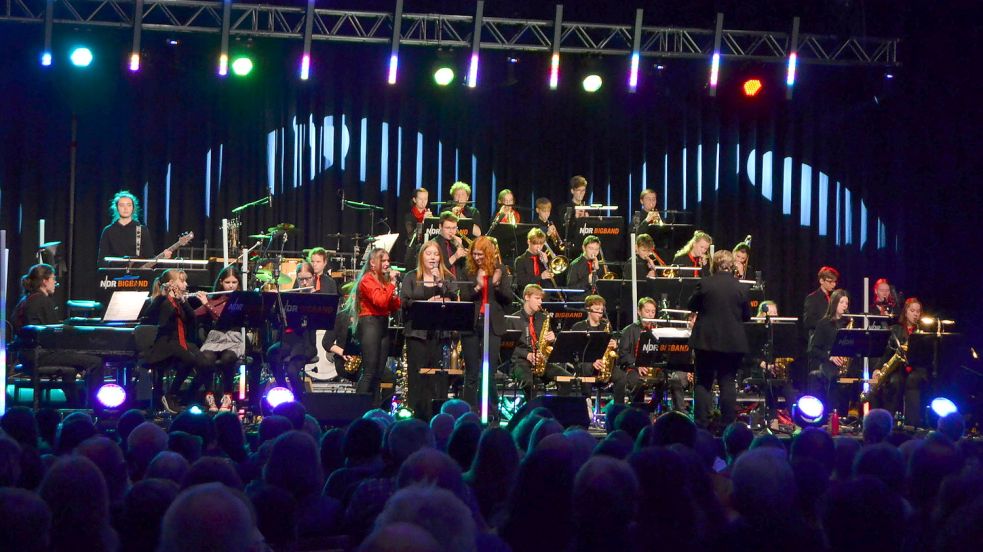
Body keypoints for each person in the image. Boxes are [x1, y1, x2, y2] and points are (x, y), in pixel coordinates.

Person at [11, 264, 104, 408]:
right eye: (53, 279)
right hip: (40, 354)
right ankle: (96, 407)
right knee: (95, 361)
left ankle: (75, 404)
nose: (55, 283)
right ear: (44, 281)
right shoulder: (42, 300)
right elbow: (56, 335)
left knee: (73, 364)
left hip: (28, 354)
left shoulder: (26, 300)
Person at [688, 249, 751, 429]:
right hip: (733, 342)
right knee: (728, 382)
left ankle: (701, 425)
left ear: (714, 266)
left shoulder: (705, 283)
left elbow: (691, 305)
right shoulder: (741, 287)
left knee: (703, 382)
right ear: (731, 266)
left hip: (706, 341)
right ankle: (728, 425)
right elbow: (747, 316)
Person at [400, 240, 457, 420]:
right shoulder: (411, 277)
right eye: (428, 254)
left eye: (436, 254)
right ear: (421, 256)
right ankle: (416, 414)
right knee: (417, 375)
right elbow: (404, 301)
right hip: (417, 333)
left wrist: (440, 284)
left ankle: (436, 414)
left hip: (441, 334)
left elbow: (454, 297)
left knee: (438, 375)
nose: (432, 257)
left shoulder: (448, 278)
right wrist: (425, 305)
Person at [457, 236, 512, 414]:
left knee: (489, 372)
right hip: (471, 324)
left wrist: (495, 285)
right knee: (472, 372)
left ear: (488, 253)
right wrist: (478, 287)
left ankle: (492, 412)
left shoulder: (500, 270)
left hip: (492, 325)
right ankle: (469, 412)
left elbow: (508, 300)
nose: (477, 258)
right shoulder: (467, 271)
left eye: (480, 254)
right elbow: (464, 297)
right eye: (474, 254)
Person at [143, 269, 210, 413]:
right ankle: (170, 395)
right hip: (166, 344)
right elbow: (149, 317)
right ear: (172, 283)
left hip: (181, 342)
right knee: (189, 360)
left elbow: (192, 319)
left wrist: (183, 301)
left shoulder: (180, 300)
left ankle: (185, 398)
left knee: (206, 364)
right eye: (183, 281)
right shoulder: (162, 301)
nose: (186, 284)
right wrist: (162, 295)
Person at [344, 248, 401, 404]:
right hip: (369, 323)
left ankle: (373, 408)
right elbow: (379, 301)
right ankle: (356, 409)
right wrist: (391, 284)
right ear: (373, 263)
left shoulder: (384, 281)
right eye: (384, 261)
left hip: (382, 324)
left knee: (378, 373)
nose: (387, 264)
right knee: (369, 371)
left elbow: (393, 306)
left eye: (388, 260)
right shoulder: (367, 280)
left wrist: (393, 291)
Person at [190, 265, 244, 412]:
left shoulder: (241, 301)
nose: (231, 286)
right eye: (228, 282)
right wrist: (181, 301)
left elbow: (223, 318)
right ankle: (209, 395)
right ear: (221, 282)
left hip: (233, 338)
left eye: (234, 282)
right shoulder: (214, 300)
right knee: (206, 358)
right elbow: (192, 315)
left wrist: (207, 304)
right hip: (215, 338)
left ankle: (228, 395)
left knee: (228, 358)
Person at [616, 297, 686, 409]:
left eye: (653, 312)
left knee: (671, 380)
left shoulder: (658, 330)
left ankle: (657, 407)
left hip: (655, 368)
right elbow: (623, 353)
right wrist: (636, 364)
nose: (650, 314)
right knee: (639, 382)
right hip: (634, 368)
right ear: (639, 311)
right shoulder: (629, 330)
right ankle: (637, 410)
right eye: (647, 311)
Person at [266, 262, 320, 403]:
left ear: (313, 277)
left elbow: (322, 321)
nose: (304, 282)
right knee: (272, 353)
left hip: (306, 344)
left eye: (307, 278)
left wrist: (313, 302)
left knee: (292, 371)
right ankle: (285, 393)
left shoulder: (319, 298)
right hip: (289, 341)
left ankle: (301, 403)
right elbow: (275, 320)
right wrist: (274, 303)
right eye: (301, 279)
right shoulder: (290, 297)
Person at [510, 284, 573, 401]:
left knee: (567, 378)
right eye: (537, 298)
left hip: (541, 361)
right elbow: (508, 347)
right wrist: (527, 355)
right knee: (529, 383)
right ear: (527, 297)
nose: (540, 302)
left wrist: (553, 339)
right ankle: (531, 411)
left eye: (541, 299)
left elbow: (550, 345)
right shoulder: (513, 319)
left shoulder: (543, 318)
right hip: (521, 361)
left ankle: (559, 409)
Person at [872, 297, 928, 426]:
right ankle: (888, 421)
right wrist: (877, 368)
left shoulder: (923, 330)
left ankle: (912, 423)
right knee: (894, 381)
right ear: (906, 312)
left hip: (917, 368)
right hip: (899, 368)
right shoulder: (896, 329)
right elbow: (887, 353)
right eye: (912, 310)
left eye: (918, 311)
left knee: (913, 380)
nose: (915, 314)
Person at [807, 289, 851, 409]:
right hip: (828, 362)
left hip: (846, 363)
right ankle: (832, 412)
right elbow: (813, 350)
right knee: (833, 377)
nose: (844, 306)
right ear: (834, 303)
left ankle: (850, 413)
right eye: (842, 302)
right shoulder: (824, 323)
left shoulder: (848, 323)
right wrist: (830, 356)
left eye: (846, 303)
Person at [97, 190, 166, 265]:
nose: (125, 208)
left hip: (138, 274)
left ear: (133, 208)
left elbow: (149, 257)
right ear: (116, 208)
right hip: (115, 274)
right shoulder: (108, 231)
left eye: (129, 205)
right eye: (122, 205)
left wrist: (163, 256)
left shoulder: (142, 229)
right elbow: (101, 261)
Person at [570, 294, 618, 396]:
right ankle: (586, 401)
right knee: (586, 368)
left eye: (602, 309)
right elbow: (575, 352)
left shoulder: (606, 326)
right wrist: (592, 362)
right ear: (588, 309)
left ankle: (618, 405)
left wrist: (615, 345)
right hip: (585, 364)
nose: (600, 312)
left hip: (604, 365)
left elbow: (613, 349)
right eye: (597, 309)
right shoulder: (578, 327)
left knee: (621, 376)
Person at [802, 266, 840, 339]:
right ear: (821, 281)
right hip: (818, 338)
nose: (834, 284)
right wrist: (827, 324)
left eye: (835, 281)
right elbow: (808, 322)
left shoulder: (833, 297)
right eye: (830, 282)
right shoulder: (812, 298)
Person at [433, 212, 468, 279]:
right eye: (448, 228)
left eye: (454, 228)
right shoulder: (434, 244)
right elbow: (435, 269)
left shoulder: (455, 243)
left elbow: (463, 267)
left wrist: (460, 246)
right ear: (440, 226)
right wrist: (455, 257)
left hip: (458, 284)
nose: (451, 231)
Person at [403, 188, 433, 266]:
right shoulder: (409, 216)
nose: (423, 202)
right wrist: (423, 222)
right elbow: (411, 236)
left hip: (427, 252)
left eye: (425, 199)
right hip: (413, 253)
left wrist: (432, 222)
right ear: (414, 200)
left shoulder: (429, 214)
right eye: (420, 199)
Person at [558, 175, 590, 240]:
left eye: (583, 190)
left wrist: (588, 220)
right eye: (579, 190)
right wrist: (575, 219)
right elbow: (563, 231)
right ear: (572, 191)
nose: (581, 193)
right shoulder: (564, 209)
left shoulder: (588, 208)